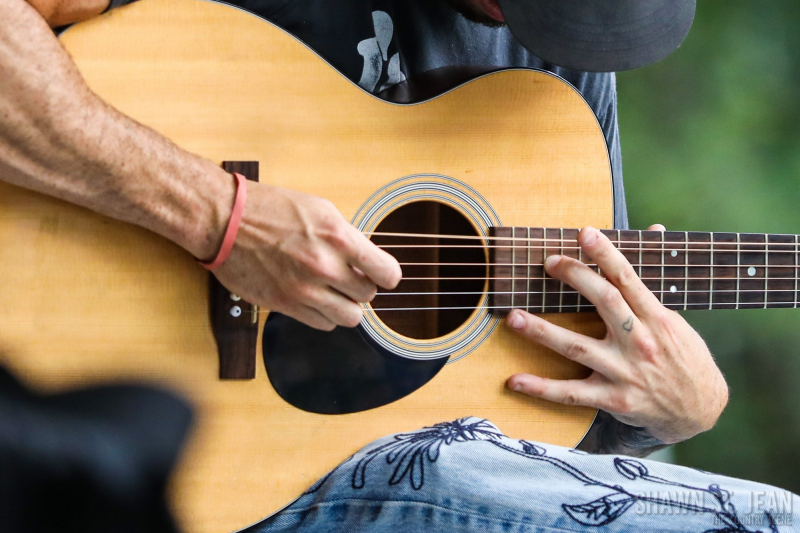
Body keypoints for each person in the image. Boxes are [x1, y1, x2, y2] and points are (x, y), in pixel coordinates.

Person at [1, 0, 765, 531]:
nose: (533, 24)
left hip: (297, 475)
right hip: (96, 426)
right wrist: (218, 216)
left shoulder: (568, 65)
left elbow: (558, 414)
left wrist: (667, 410)